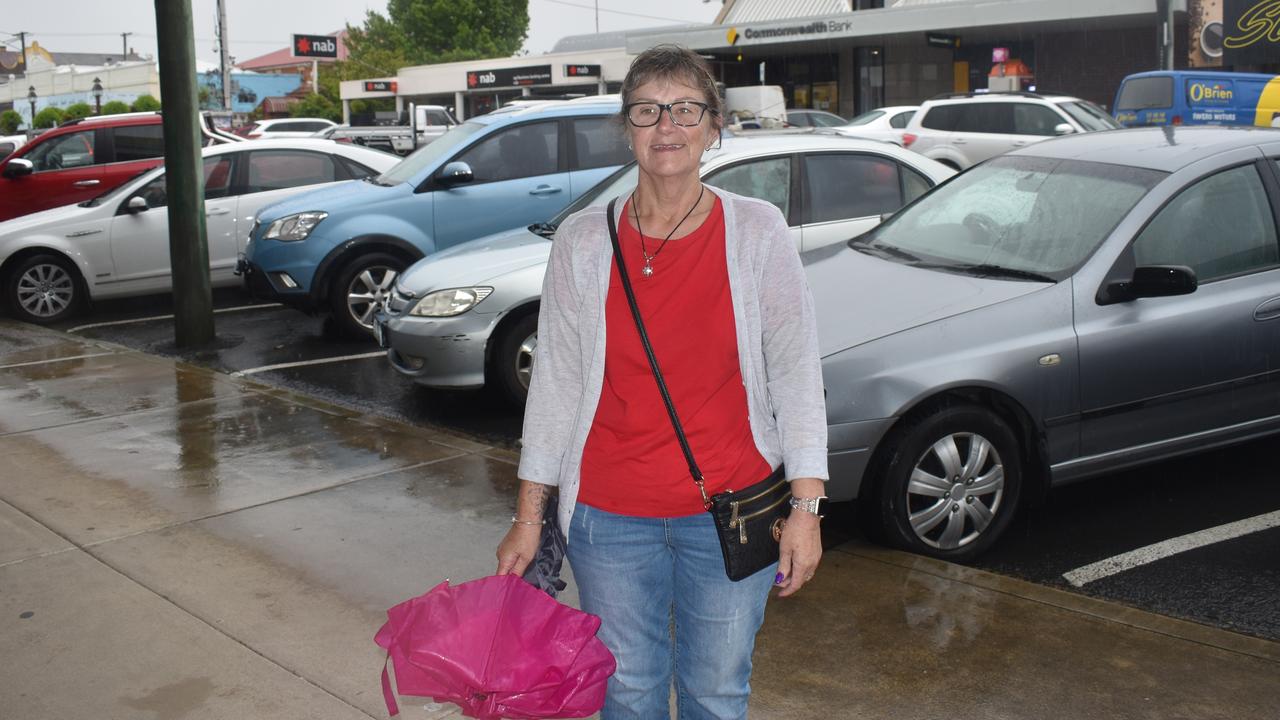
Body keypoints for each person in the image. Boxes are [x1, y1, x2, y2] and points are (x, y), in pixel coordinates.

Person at [496, 44, 828, 720]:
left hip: (732, 513)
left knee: (715, 693)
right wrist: (529, 517)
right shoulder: (583, 242)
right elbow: (555, 385)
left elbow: (797, 376)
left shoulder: (757, 233)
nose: (666, 127)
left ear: (713, 127)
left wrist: (807, 507)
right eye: (648, 111)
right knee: (629, 691)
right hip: (608, 519)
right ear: (627, 128)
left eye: (685, 109)